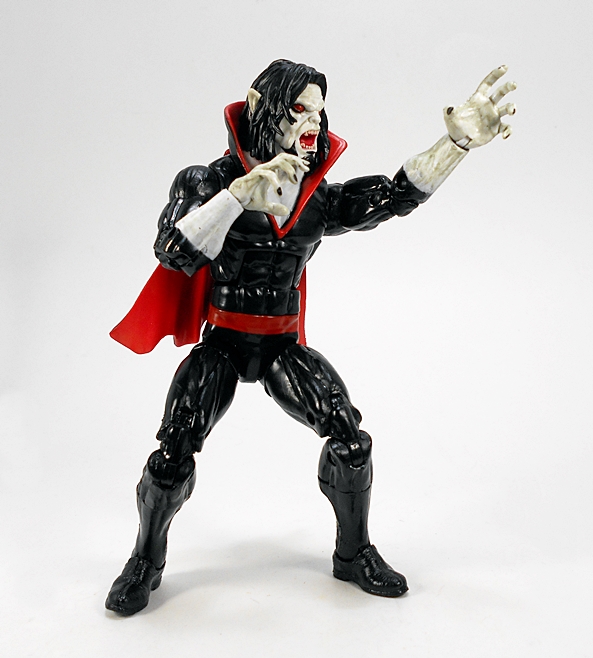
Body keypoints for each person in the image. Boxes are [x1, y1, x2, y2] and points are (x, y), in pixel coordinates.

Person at [106, 59, 516, 616]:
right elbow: (173, 251)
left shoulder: (315, 198)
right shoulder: (206, 181)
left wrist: (456, 144)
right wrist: (236, 198)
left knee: (351, 442)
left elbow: (394, 196)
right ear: (260, 107)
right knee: (171, 454)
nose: (312, 124)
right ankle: (144, 561)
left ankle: (354, 553)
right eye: (298, 110)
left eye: (319, 113)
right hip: (222, 342)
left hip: (281, 346)